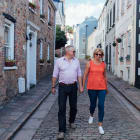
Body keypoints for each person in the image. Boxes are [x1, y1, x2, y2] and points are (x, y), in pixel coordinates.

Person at [52, 45, 83, 139]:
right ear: (68, 52)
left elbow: (79, 74)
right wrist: (53, 86)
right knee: (61, 108)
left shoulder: (76, 61)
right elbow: (55, 74)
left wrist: (81, 86)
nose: (74, 53)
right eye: (73, 51)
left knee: (73, 107)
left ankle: (71, 121)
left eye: (74, 52)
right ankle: (61, 130)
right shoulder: (59, 61)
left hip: (73, 86)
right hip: (62, 87)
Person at [83, 48, 108, 135]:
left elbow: (105, 76)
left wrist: (106, 88)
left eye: (100, 55)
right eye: (97, 54)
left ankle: (100, 125)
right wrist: (82, 86)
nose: (98, 56)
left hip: (102, 88)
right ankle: (91, 115)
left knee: (101, 105)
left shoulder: (103, 65)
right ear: (94, 54)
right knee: (93, 104)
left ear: (102, 56)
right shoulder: (89, 63)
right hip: (92, 87)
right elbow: (85, 75)